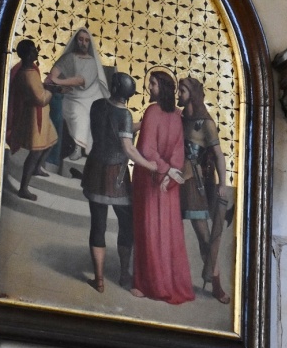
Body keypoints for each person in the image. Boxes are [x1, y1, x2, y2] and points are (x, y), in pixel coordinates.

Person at [81, 72, 157, 293]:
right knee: (126, 225)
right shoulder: (124, 114)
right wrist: (150, 165)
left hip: (94, 169)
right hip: (117, 176)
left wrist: (140, 124)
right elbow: (127, 147)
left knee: (98, 225)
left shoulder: (97, 105)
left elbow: (114, 128)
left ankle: (99, 280)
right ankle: (124, 274)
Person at [131, 70, 195, 305]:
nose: (149, 88)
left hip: (150, 180)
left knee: (148, 230)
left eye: (153, 84)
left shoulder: (152, 112)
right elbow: (178, 151)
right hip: (168, 182)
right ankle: (165, 282)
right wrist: (171, 171)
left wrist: (165, 170)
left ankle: (146, 284)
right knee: (166, 233)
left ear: (163, 89)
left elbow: (146, 150)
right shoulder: (176, 116)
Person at [177, 76, 230, 304]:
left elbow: (218, 155)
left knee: (204, 238)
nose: (179, 95)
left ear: (193, 95)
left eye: (183, 91)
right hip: (174, 180)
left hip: (194, 184)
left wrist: (222, 184)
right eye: (179, 91)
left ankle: (216, 283)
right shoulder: (180, 118)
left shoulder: (205, 123)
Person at [45, 28, 110, 160]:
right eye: (80, 39)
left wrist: (59, 81)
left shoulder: (92, 62)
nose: (83, 43)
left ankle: (82, 148)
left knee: (86, 113)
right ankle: (70, 149)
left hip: (91, 96)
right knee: (70, 110)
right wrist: (56, 82)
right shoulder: (68, 58)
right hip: (71, 96)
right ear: (76, 41)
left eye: (86, 40)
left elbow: (81, 80)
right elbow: (52, 75)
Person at [7, 39, 58, 200]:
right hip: (34, 118)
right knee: (35, 152)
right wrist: (51, 91)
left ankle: (36, 168)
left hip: (41, 115)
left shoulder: (31, 69)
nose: (37, 51)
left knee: (52, 141)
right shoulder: (27, 74)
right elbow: (41, 99)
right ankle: (24, 188)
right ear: (29, 55)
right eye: (34, 50)